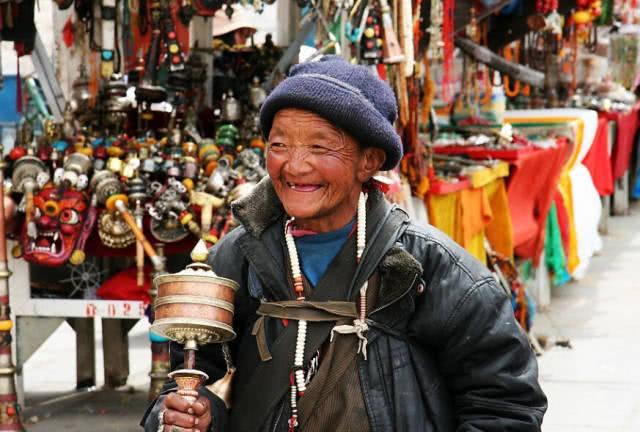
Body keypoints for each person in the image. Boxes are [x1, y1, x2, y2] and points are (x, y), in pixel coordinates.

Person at [141, 56, 547, 432]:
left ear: (369, 161)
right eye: (279, 145)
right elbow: (191, 377)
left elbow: (504, 405)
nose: (295, 165)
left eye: (319, 147)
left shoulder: (429, 269)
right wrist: (191, 413)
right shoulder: (236, 259)